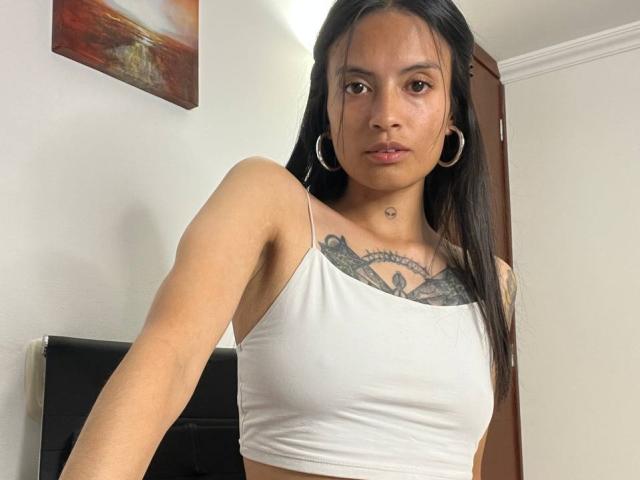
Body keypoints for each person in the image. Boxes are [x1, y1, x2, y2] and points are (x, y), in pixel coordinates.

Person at [60, 1, 517, 479]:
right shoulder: (270, 202)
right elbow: (168, 358)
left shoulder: (494, 282)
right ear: (327, 106)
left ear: (453, 111)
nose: (385, 115)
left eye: (417, 85)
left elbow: (468, 465)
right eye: (356, 86)